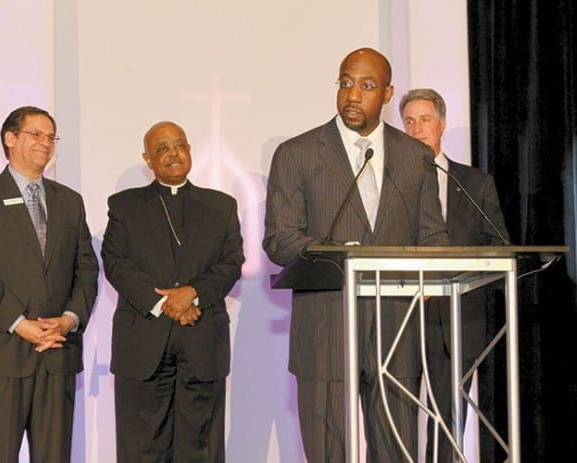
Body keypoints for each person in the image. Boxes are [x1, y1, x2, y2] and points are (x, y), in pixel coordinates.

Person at [263, 47, 449, 461]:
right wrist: (339, 256)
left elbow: (433, 237)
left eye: (366, 86)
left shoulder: (415, 157)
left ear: (386, 94)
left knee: (397, 453)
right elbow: (280, 240)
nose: (352, 95)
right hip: (326, 331)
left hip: (396, 334)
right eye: (345, 83)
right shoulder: (297, 154)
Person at [0, 105, 99, 462]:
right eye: (36, 134)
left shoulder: (70, 201)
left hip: (56, 351)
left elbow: (86, 269)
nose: (45, 143)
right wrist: (21, 324)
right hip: (0, 354)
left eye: (51, 137)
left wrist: (68, 319)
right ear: (10, 138)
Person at [101, 121, 244, 462]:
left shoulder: (221, 206)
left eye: (179, 145)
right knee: (141, 447)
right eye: (162, 149)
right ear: (147, 160)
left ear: (190, 150)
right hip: (143, 342)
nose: (173, 153)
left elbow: (231, 262)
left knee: (201, 448)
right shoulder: (125, 206)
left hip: (202, 343)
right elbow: (115, 262)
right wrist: (165, 301)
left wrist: (192, 293)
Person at [400, 88, 509, 462]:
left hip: (457, 320)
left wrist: (446, 277)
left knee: (447, 425)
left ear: (442, 125)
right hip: (400, 319)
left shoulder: (474, 183)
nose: (417, 130)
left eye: (425, 120)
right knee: (395, 421)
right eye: (409, 122)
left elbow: (496, 246)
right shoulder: (388, 185)